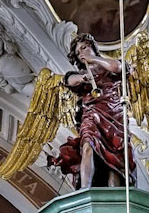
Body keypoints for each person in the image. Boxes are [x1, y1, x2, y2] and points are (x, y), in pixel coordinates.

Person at [50, 33, 132, 189]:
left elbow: (117, 67)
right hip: (91, 115)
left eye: (84, 47)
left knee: (114, 158)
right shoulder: (81, 74)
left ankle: (114, 194)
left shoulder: (109, 66)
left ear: (92, 47)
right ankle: (85, 189)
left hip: (114, 114)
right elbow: (68, 80)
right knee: (88, 146)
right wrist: (84, 78)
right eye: (78, 52)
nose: (81, 52)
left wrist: (93, 59)